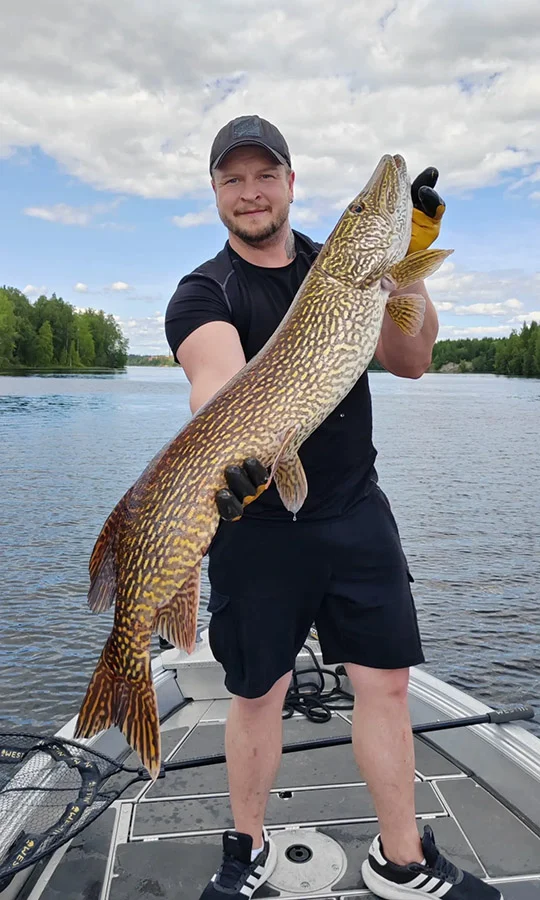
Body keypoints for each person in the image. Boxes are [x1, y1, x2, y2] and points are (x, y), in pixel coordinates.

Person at [164, 116, 501, 900]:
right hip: (253, 522)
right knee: (258, 694)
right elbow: (213, 382)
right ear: (217, 192)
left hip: (353, 510)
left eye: (264, 174)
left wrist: (405, 267)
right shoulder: (204, 290)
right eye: (232, 179)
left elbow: (412, 363)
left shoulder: (339, 269)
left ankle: (403, 858)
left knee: (385, 684)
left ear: (289, 181)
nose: (250, 192)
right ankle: (246, 849)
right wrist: (234, 441)